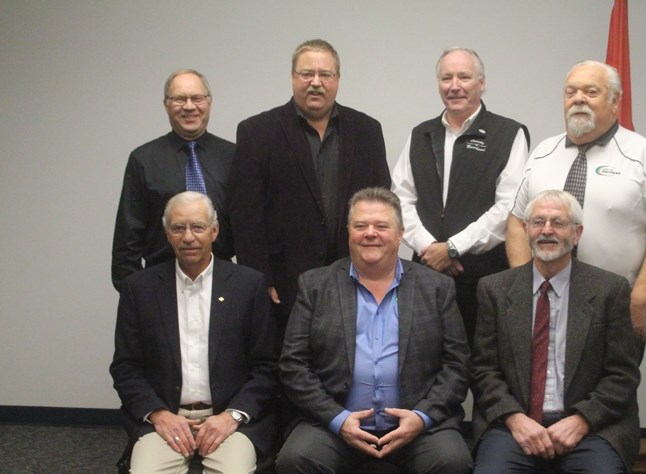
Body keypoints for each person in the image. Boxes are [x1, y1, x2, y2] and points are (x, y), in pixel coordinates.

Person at [277, 187, 472, 474]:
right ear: (348, 233)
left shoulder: (436, 287)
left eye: (381, 226)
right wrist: (337, 419)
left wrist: (423, 417)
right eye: (360, 225)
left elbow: (456, 365)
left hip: (417, 423)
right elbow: (293, 365)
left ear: (400, 235)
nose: (370, 233)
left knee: (452, 463)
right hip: (335, 421)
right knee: (296, 461)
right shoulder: (316, 285)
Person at [470, 190, 640, 474]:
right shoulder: (495, 289)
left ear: (576, 234)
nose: (547, 230)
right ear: (527, 231)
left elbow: (622, 374)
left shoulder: (610, 290)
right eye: (538, 222)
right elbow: (483, 369)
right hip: (516, 421)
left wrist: (581, 420)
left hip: (589, 425)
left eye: (558, 222)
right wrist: (516, 419)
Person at [110, 192, 277, 474]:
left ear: (214, 231)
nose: (189, 237)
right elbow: (125, 367)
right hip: (167, 417)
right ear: (166, 233)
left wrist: (231, 416)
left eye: (198, 227)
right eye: (179, 228)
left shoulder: (248, 284)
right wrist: (158, 414)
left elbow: (268, 367)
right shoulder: (139, 288)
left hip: (229, 418)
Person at [506, 60, 646, 343]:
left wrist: (638, 302)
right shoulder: (542, 153)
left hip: (611, 308)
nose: (578, 99)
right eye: (571, 92)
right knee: (542, 384)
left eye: (591, 92)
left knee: (610, 387)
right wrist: (524, 285)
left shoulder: (641, 153)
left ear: (615, 101)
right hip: (544, 304)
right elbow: (516, 222)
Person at [228, 38, 391, 339]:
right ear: (293, 77)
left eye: (325, 74)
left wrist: (379, 271)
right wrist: (261, 278)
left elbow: (381, 205)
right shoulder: (257, 132)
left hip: (355, 276)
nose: (316, 83)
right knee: (291, 368)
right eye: (307, 74)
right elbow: (245, 215)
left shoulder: (367, 130)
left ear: (337, 80)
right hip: (286, 281)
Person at [392, 46, 529, 346]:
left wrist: (453, 248)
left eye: (464, 77)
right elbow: (400, 198)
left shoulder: (509, 134)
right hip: (426, 276)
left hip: (485, 279)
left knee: (486, 374)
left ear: (482, 83)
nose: (454, 86)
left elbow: (509, 207)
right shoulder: (420, 135)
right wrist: (430, 249)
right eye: (446, 78)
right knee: (425, 373)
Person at [112, 69, 235, 291]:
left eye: (197, 98)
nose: (189, 106)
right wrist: (136, 295)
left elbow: (249, 227)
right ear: (166, 105)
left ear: (209, 103)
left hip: (224, 284)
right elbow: (127, 240)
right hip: (161, 284)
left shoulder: (234, 157)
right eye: (179, 99)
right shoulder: (144, 160)